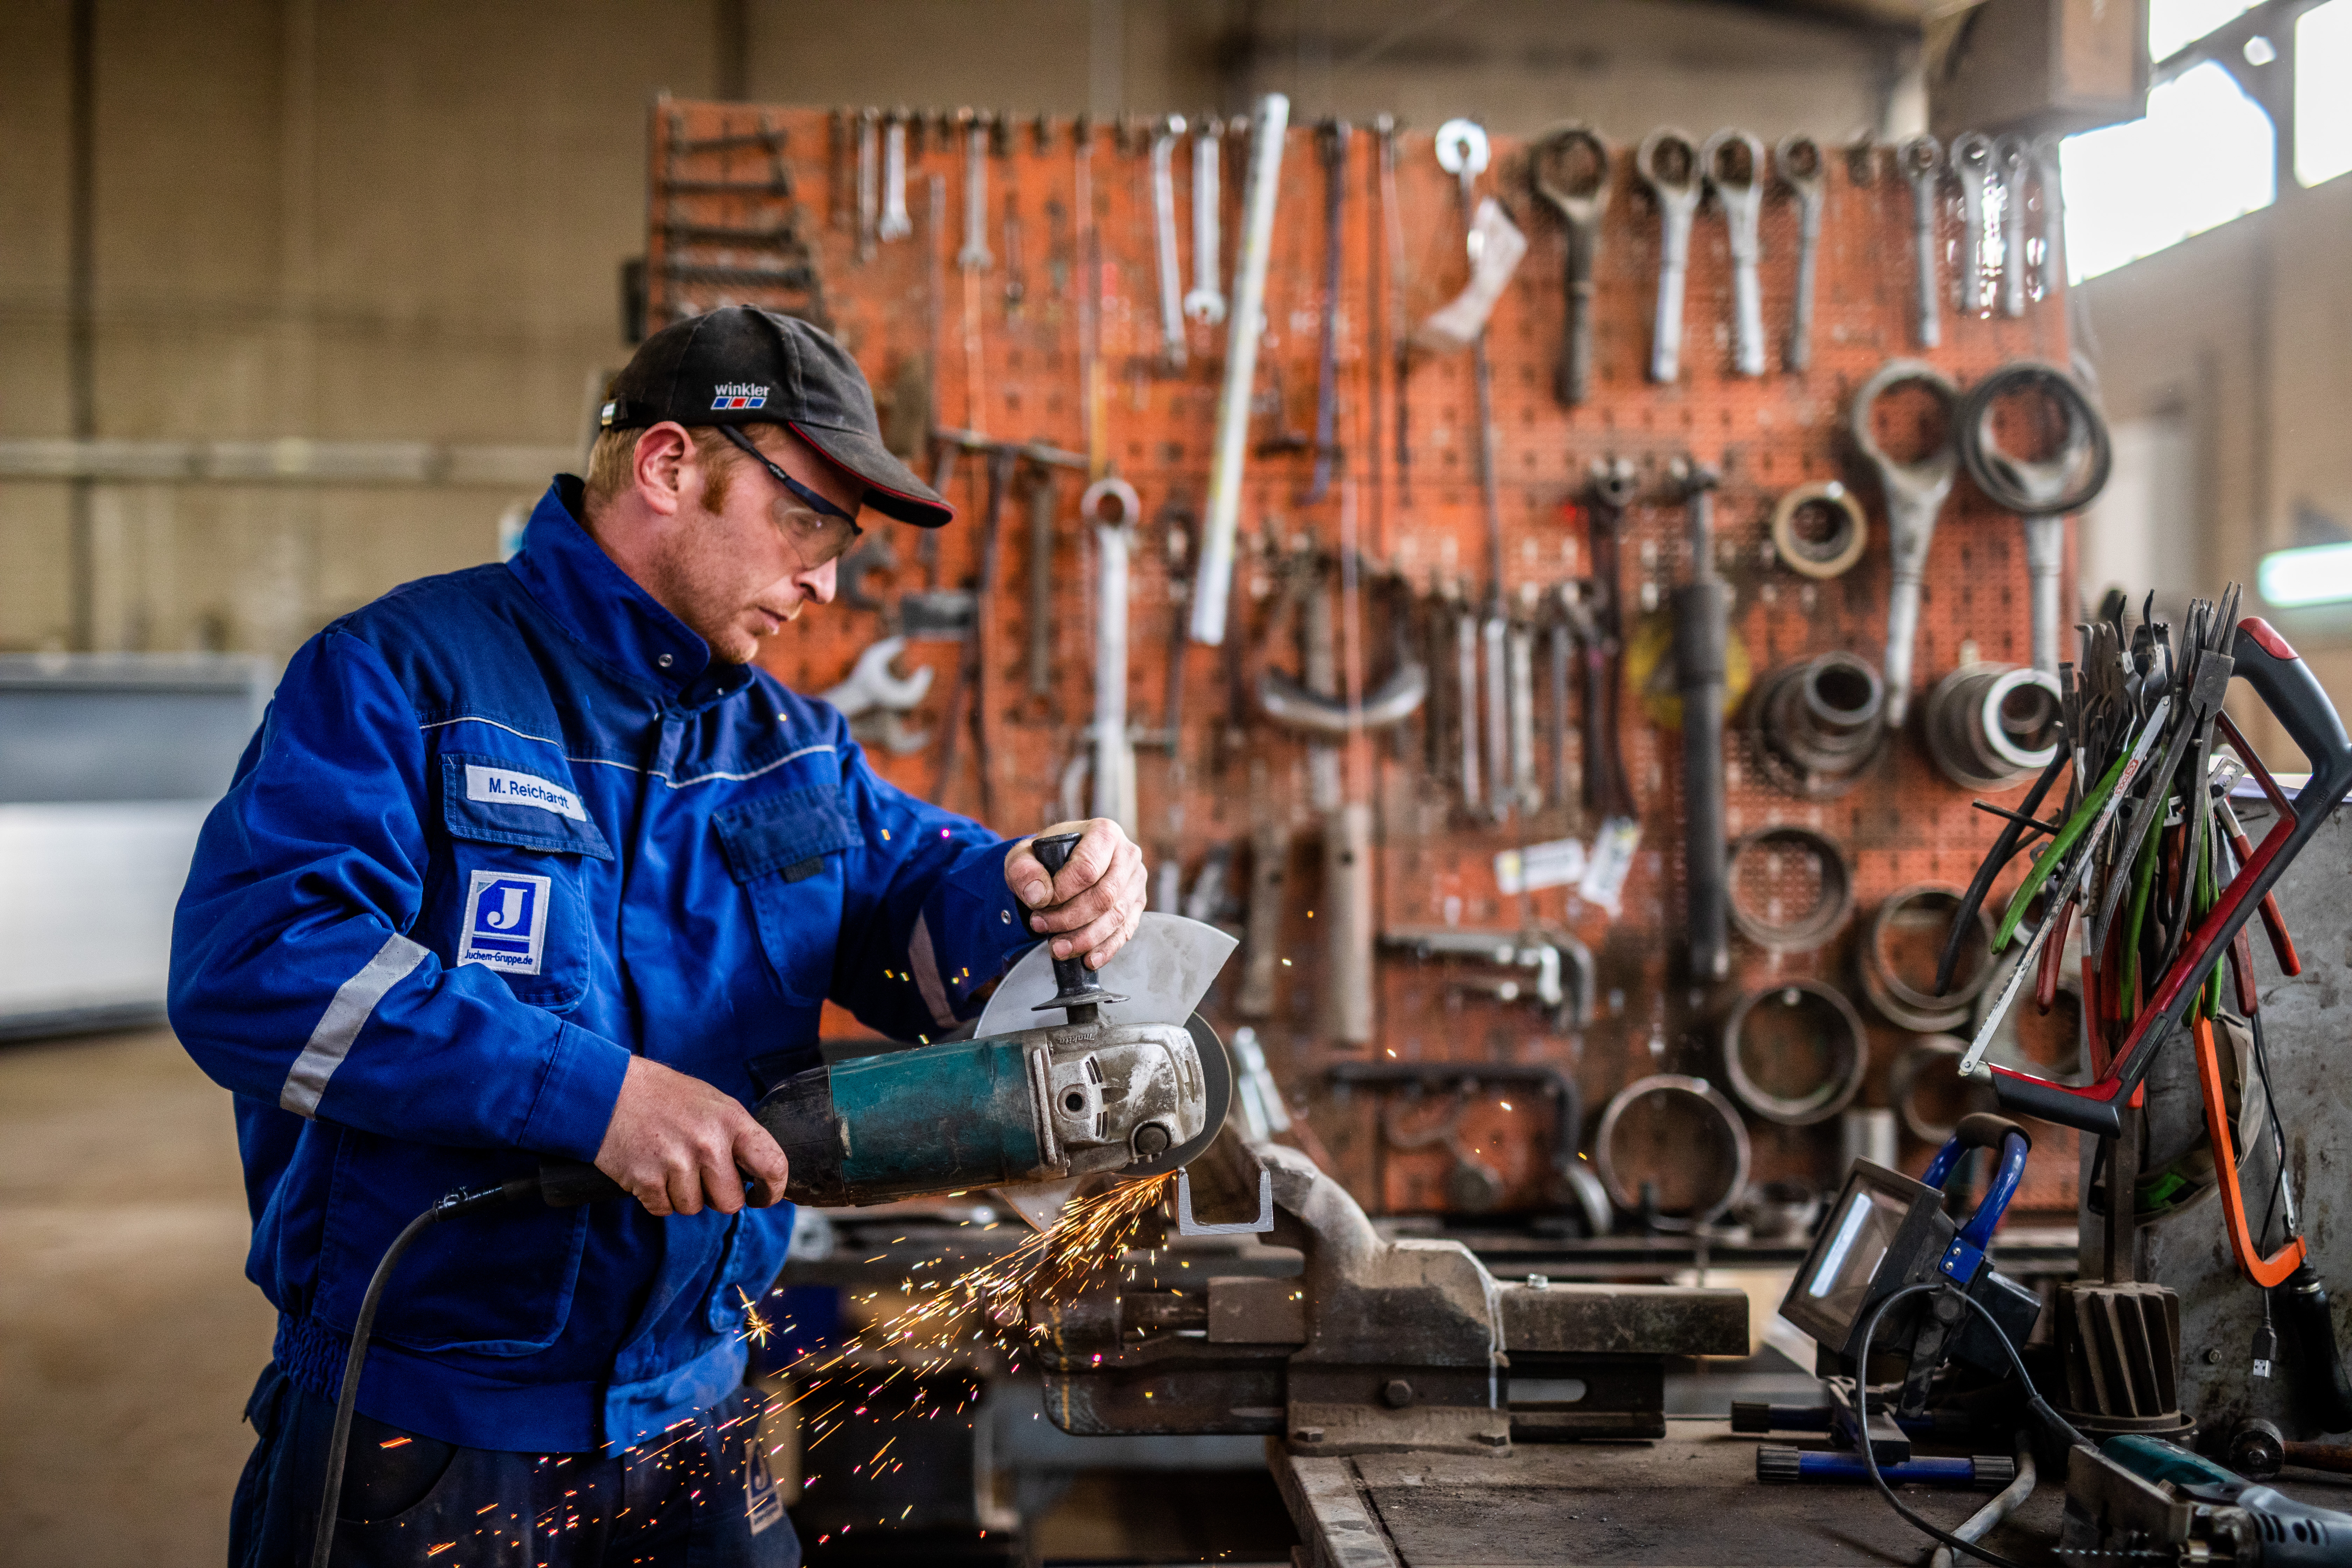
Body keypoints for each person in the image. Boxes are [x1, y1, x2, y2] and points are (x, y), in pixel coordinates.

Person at [170, 305, 1148, 1566]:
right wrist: (595, 1100)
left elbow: (916, 895)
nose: (827, 579)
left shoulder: (791, 748)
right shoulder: (400, 682)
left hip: (697, 1426)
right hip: (427, 1439)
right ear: (671, 467)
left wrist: (1037, 889)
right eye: (809, 521)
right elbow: (257, 967)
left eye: (844, 542)